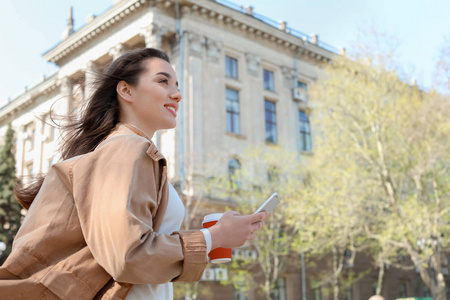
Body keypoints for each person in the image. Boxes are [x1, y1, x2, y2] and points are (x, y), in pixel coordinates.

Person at [0, 48, 268, 299]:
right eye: (163, 81)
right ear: (126, 91)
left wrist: (211, 240)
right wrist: (216, 237)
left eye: (177, 85)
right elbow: (127, 256)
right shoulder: (128, 148)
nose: (177, 94)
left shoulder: (125, 150)